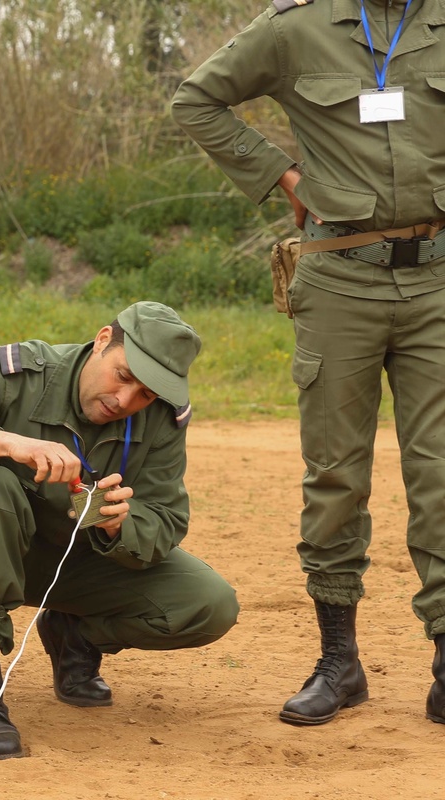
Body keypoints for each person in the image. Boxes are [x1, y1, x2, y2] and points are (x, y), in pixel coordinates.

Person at [172, 0, 445, 726]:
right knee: (334, 475)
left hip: (439, 281)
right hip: (338, 276)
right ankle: (339, 661)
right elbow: (196, 98)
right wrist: (281, 176)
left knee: (442, 471)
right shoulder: (297, 28)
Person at [0, 301, 240, 758]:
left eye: (146, 394)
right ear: (103, 340)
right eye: (124, 377)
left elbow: (166, 517)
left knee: (209, 604)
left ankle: (75, 634)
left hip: (86, 559)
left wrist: (119, 524)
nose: (125, 401)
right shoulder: (14, 372)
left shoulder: (163, 419)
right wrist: (3, 442)